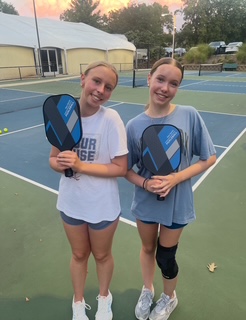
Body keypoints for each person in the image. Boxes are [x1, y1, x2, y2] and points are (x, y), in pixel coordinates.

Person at [125, 57, 216, 320]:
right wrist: (145, 183)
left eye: (173, 83)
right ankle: (147, 289)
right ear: (149, 79)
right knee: (147, 248)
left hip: (178, 203)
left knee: (166, 256)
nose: (165, 87)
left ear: (177, 87)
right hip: (145, 201)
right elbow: (127, 169)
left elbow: (209, 157)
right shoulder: (134, 125)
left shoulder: (189, 115)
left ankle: (169, 297)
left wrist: (176, 179)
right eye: (161, 79)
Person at [49, 61, 128, 320]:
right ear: (83, 79)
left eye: (108, 87)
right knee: (79, 254)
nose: (101, 90)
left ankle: (104, 298)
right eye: (96, 81)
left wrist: (81, 165)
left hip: (103, 204)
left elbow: (120, 167)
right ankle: (78, 302)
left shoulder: (111, 119)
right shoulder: (63, 114)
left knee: (102, 255)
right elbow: (52, 158)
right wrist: (60, 165)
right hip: (72, 203)